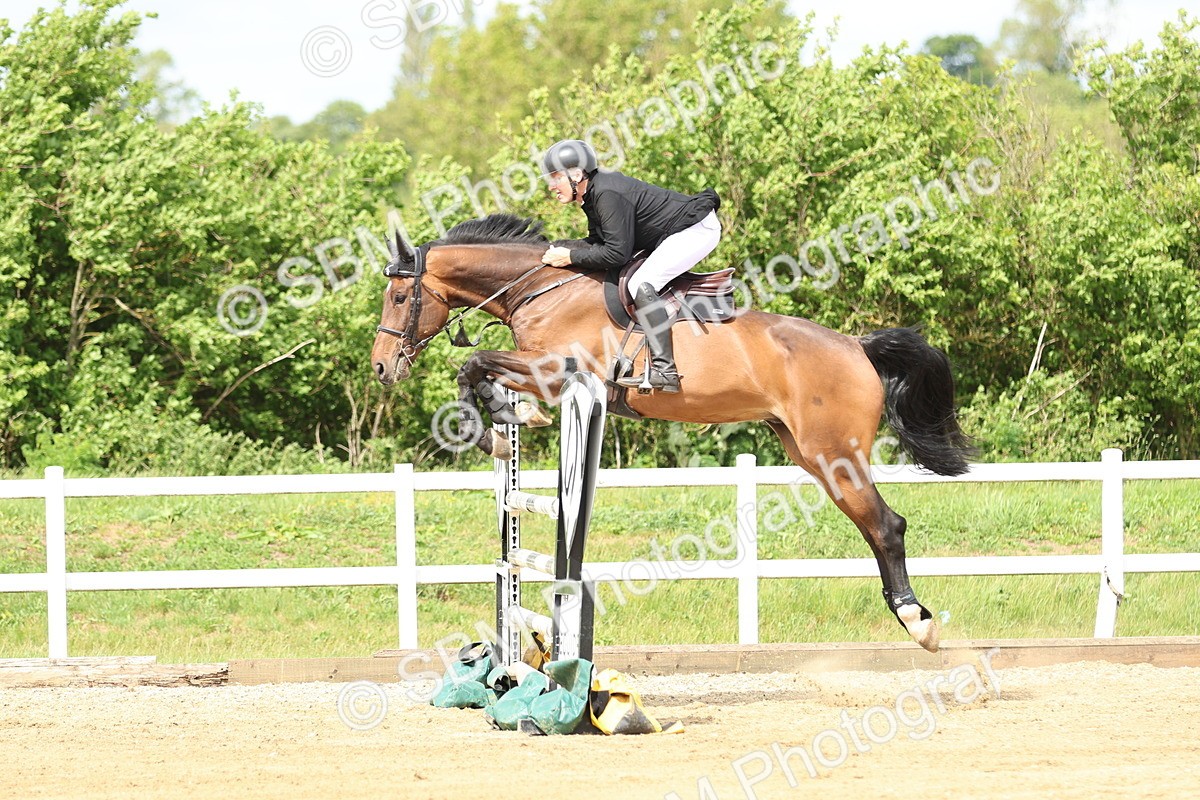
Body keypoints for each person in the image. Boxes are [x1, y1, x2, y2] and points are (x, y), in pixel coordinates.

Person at [539, 139, 721, 393]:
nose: (550, 186)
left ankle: (664, 370)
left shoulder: (606, 193)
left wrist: (569, 258)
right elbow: (596, 242)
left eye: (555, 177)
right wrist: (559, 247)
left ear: (577, 175)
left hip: (696, 230)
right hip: (674, 232)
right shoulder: (591, 194)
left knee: (640, 284)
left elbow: (616, 254)